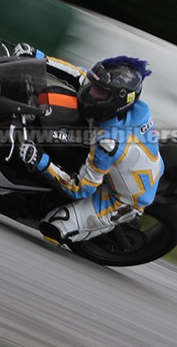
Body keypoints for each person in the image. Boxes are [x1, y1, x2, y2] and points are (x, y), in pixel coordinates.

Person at [10, 43, 165, 244]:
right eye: (94, 86)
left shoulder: (108, 143)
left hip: (121, 198)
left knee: (53, 228)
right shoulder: (132, 105)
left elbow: (80, 189)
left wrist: (41, 161)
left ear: (118, 99)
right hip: (131, 163)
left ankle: (101, 224)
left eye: (100, 92)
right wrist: (38, 57)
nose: (91, 92)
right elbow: (79, 75)